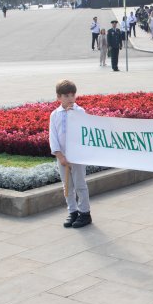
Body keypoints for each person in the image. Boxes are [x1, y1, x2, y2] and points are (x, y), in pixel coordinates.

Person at [49, 79, 92, 229]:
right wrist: (60, 156)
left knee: (80, 185)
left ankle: (84, 213)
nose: (70, 98)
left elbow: (85, 131)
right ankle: (72, 211)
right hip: (63, 158)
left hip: (77, 157)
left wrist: (74, 114)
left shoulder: (80, 112)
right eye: (66, 95)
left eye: (72, 95)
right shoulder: (54, 115)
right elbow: (53, 136)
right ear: (58, 97)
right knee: (67, 186)